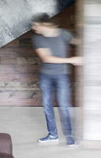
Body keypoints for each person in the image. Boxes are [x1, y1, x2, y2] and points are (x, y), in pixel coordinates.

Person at [31, 13, 82, 146]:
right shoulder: (37, 39)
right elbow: (47, 58)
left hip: (62, 76)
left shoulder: (63, 34)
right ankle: (53, 135)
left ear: (43, 24)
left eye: (35, 25)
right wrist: (71, 60)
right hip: (46, 76)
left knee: (64, 106)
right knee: (47, 106)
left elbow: (79, 42)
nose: (33, 28)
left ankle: (69, 136)